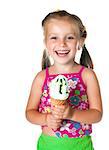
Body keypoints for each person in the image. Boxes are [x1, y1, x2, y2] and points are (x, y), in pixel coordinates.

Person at [25, 10, 103, 150]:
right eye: (54, 37)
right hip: (48, 144)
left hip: (80, 145)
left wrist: (72, 113)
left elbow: (97, 114)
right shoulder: (41, 77)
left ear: (80, 41)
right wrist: (46, 119)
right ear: (46, 43)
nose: (62, 44)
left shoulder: (87, 75)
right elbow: (30, 112)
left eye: (70, 38)